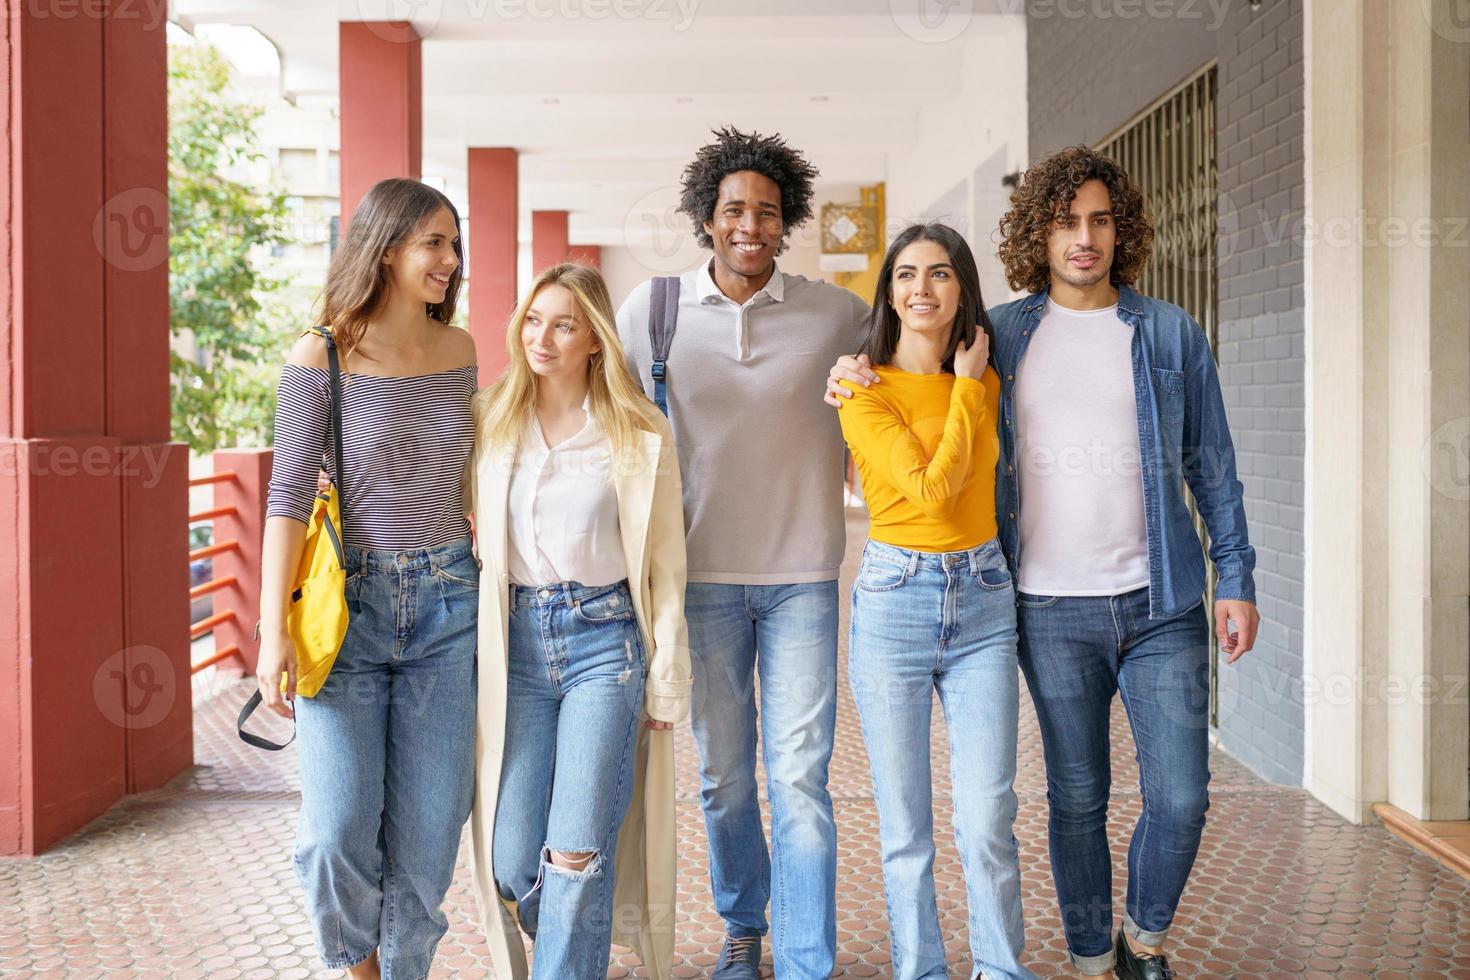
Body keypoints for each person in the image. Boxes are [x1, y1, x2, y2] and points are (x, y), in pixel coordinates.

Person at [828, 145, 1259, 980]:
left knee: (1180, 796)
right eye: (1066, 222)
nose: (1084, 238)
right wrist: (853, 373)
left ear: (1122, 231)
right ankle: (1095, 958)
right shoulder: (1005, 338)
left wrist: (1233, 577)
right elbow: (913, 366)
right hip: (1044, 606)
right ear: (1040, 235)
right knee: (1076, 801)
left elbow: (1213, 464)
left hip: (1162, 600)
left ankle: (1145, 937)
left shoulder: (1169, 333)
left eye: (1100, 220)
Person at [615, 126, 870, 980]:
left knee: (799, 779)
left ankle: (804, 960)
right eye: (734, 209)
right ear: (707, 218)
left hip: (803, 578)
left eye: (767, 210)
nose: (750, 224)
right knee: (725, 778)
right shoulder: (653, 311)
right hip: (700, 581)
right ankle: (745, 926)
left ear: (787, 218)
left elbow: (896, 394)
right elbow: (599, 427)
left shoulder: (839, 313)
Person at [255, 177, 478, 980]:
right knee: (334, 831)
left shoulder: (461, 352)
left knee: (428, 832)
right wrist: (269, 632)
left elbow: (471, 478)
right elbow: (285, 494)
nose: (451, 260)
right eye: (434, 243)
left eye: (454, 244)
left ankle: (405, 971)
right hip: (348, 611)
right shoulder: (321, 353)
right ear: (383, 248)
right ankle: (357, 964)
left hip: (451, 607)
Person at [467, 263, 692, 980]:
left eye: (564, 324)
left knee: (575, 852)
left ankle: (570, 954)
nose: (543, 337)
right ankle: (578, 925)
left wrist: (665, 682)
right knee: (510, 860)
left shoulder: (637, 431)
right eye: (534, 320)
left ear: (595, 339)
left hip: (606, 645)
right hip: (518, 647)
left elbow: (664, 564)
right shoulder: (488, 417)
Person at [836, 223, 1035, 980]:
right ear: (889, 291)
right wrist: (965, 390)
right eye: (908, 274)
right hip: (896, 601)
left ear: (963, 290)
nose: (923, 288)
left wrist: (972, 385)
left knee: (987, 816)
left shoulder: (987, 377)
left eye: (942, 274)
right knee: (906, 828)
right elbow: (929, 486)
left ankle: (1000, 968)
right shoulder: (862, 388)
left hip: (985, 598)